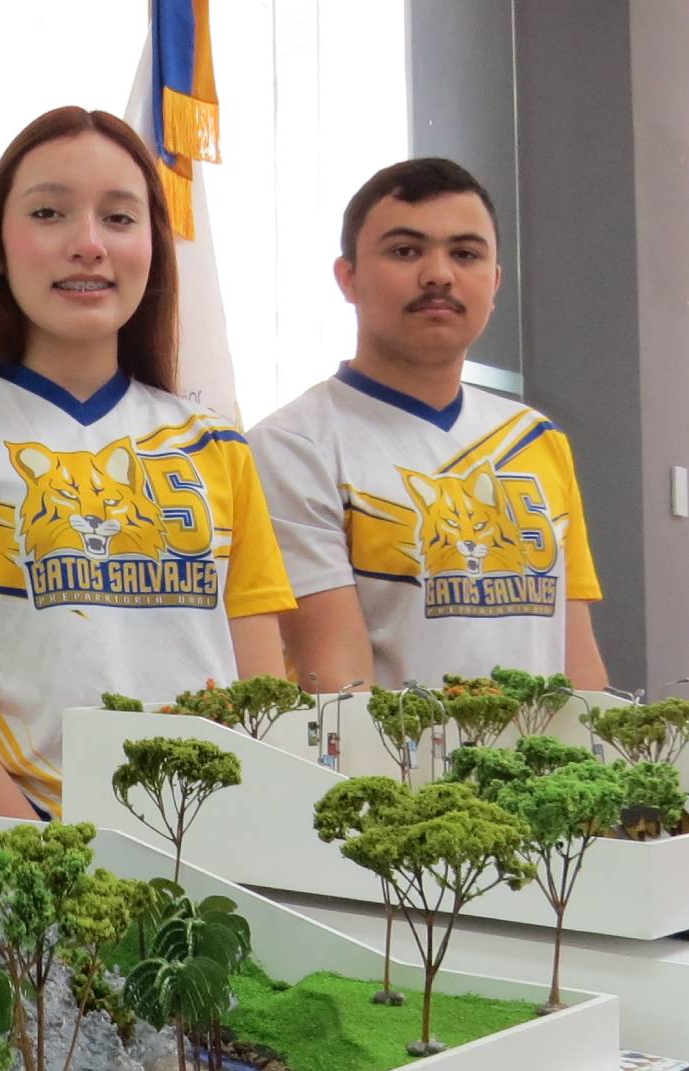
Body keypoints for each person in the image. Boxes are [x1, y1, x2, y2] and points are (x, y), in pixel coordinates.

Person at [0, 107, 295, 819]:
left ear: (154, 248)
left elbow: (265, 708)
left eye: (119, 219)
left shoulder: (219, 448)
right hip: (10, 888)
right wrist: (54, 879)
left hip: (207, 866)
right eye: (51, 212)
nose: (88, 244)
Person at [248, 157, 609, 696]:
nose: (439, 274)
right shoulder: (291, 447)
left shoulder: (536, 439)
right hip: (392, 777)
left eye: (465, 254)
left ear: (494, 281)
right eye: (405, 251)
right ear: (348, 278)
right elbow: (337, 686)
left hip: (546, 775)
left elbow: (580, 672)